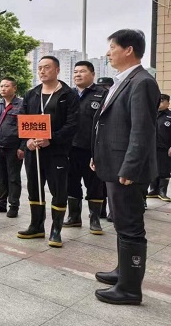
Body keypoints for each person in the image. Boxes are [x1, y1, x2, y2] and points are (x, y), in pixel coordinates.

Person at [92, 29, 159, 305]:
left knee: (131, 226)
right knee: (121, 222)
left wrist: (130, 168)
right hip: (114, 163)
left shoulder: (142, 82)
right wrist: (99, 155)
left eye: (112, 47)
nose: (108, 53)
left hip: (127, 171)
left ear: (128, 49)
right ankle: (123, 272)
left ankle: (130, 289)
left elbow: (142, 131)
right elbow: (110, 125)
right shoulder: (123, 81)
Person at [17, 56, 79, 247]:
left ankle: (56, 230)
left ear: (57, 70)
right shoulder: (32, 94)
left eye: (47, 67)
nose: (42, 71)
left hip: (56, 152)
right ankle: (36, 226)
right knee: (34, 188)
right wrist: (27, 141)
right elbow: (23, 119)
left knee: (58, 190)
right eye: (40, 68)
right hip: (33, 151)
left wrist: (50, 139)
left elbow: (72, 125)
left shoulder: (68, 95)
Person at [63, 61, 107, 234]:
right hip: (70, 148)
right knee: (71, 183)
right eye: (75, 72)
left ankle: (95, 219)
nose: (78, 74)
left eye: (82, 71)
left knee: (95, 185)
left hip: (92, 149)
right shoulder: (68, 94)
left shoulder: (102, 94)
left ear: (92, 74)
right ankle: (74, 217)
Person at [0, 77, 24, 218]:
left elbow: (26, 128)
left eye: (6, 86)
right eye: (1, 86)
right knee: (0, 177)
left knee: (13, 178)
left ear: (14, 88)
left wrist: (22, 147)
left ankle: (14, 205)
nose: (3, 88)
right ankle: (1, 203)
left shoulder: (22, 105)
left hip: (13, 148)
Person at [95, 76, 115, 220]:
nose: (103, 90)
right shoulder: (97, 103)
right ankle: (100, 210)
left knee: (111, 182)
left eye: (106, 87)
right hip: (98, 146)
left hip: (112, 148)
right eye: (100, 87)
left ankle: (113, 211)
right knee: (99, 182)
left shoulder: (115, 102)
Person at [146, 94, 171, 203]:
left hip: (165, 148)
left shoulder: (169, 116)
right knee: (153, 168)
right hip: (151, 147)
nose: (159, 103)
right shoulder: (152, 114)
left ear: (168, 103)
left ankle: (162, 191)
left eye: (162, 101)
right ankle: (153, 190)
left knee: (164, 170)